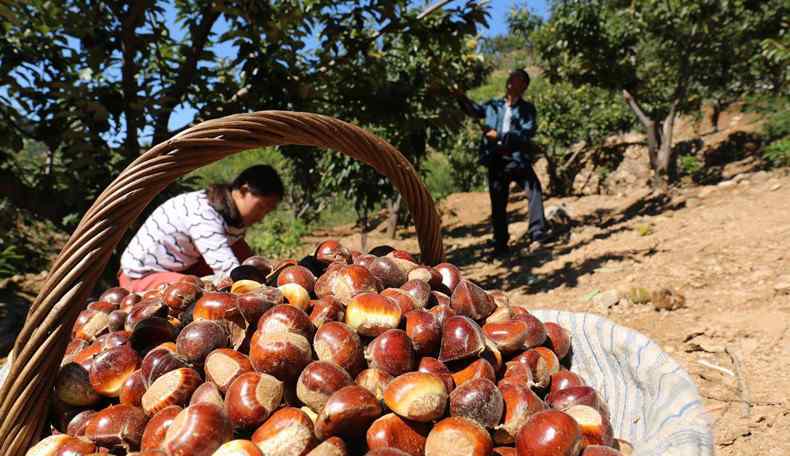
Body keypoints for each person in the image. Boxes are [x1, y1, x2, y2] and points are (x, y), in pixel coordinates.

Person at [118, 165, 283, 292]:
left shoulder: (230, 216)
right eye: (262, 207)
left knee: (241, 252)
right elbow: (227, 270)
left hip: (182, 264)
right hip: (140, 277)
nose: (262, 216)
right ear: (243, 190)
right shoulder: (204, 213)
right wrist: (261, 293)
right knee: (194, 290)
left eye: (268, 211)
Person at [455, 68, 548, 256]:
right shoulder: (494, 105)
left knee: (534, 190)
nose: (511, 81)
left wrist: (500, 136)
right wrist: (460, 97)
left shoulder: (527, 109)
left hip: (516, 157)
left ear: (524, 86)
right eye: (511, 77)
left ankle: (537, 234)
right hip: (496, 159)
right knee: (498, 201)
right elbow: (474, 111)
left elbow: (526, 133)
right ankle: (500, 244)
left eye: (517, 79)